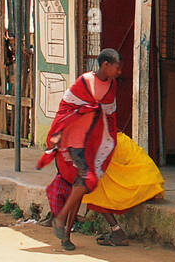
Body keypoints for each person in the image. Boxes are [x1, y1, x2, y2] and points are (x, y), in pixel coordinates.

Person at [37, 49, 122, 251]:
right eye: (116, 66)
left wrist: (108, 140)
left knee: (82, 184)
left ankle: (64, 228)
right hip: (73, 138)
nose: (119, 71)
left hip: (93, 139)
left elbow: (109, 114)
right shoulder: (84, 82)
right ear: (105, 65)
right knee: (83, 181)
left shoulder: (112, 86)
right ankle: (63, 226)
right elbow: (65, 109)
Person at [44, 129, 164, 246]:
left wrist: (66, 233)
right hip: (149, 180)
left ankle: (117, 231)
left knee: (94, 191)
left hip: (114, 154)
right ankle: (115, 231)